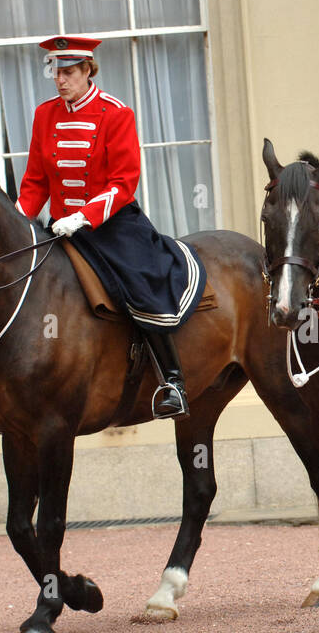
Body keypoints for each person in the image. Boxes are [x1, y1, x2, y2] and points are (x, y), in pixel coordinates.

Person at [16, 36, 203, 418]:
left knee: (140, 285)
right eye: (56, 72)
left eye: (69, 72)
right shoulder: (44, 114)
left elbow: (123, 182)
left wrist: (83, 216)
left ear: (88, 70)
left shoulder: (116, 113)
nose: (60, 80)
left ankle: (172, 382)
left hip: (110, 223)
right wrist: (18, 221)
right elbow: (35, 181)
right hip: (60, 225)